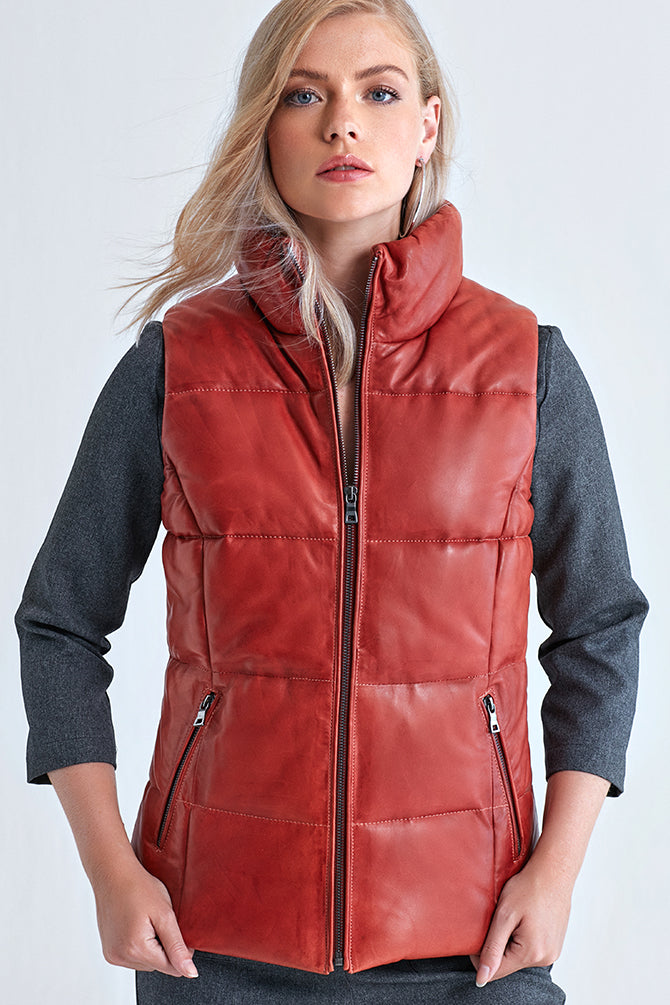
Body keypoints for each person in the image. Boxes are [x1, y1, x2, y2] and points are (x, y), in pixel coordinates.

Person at [15, 0, 648, 1002]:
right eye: (304, 95)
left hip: (474, 942)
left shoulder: (526, 369)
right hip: (213, 940)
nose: (343, 123)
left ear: (427, 125)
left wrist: (556, 872)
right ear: (265, 126)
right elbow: (58, 622)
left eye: (378, 93)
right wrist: (111, 871)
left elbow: (601, 624)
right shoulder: (177, 365)